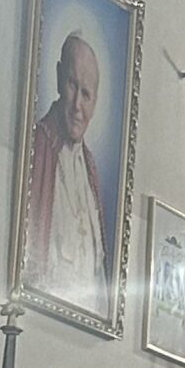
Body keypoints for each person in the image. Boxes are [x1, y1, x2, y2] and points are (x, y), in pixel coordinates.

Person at [25, 29, 111, 314]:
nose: (77, 106)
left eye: (86, 95)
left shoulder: (90, 169)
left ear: (95, 102)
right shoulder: (39, 145)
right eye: (73, 85)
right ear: (59, 78)